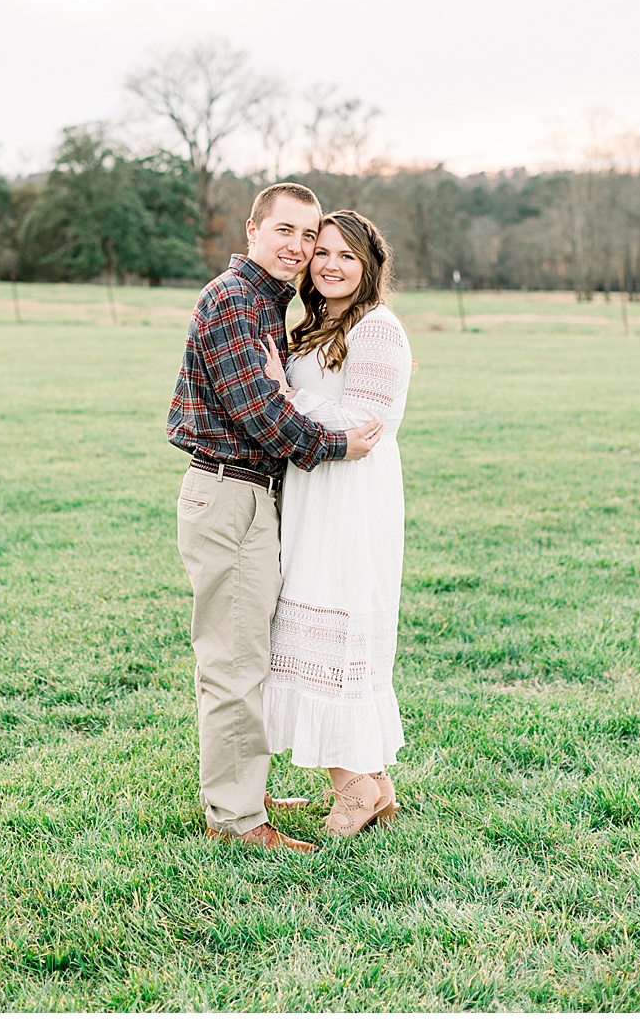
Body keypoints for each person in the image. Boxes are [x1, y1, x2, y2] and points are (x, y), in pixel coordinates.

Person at [166, 181, 383, 854]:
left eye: (308, 235)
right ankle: (235, 820)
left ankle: (243, 787)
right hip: (230, 495)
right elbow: (263, 414)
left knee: (247, 655)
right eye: (284, 231)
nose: (299, 247)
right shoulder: (234, 300)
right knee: (233, 662)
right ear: (253, 230)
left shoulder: (266, 303)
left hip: (251, 496)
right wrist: (340, 444)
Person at [258, 210, 411, 838]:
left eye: (347, 255)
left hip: (351, 500)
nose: (329, 264)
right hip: (313, 494)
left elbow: (366, 426)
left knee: (339, 630)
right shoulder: (318, 326)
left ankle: (355, 792)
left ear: (369, 265)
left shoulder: (378, 329)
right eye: (321, 252)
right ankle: (370, 786)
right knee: (305, 635)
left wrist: (283, 393)